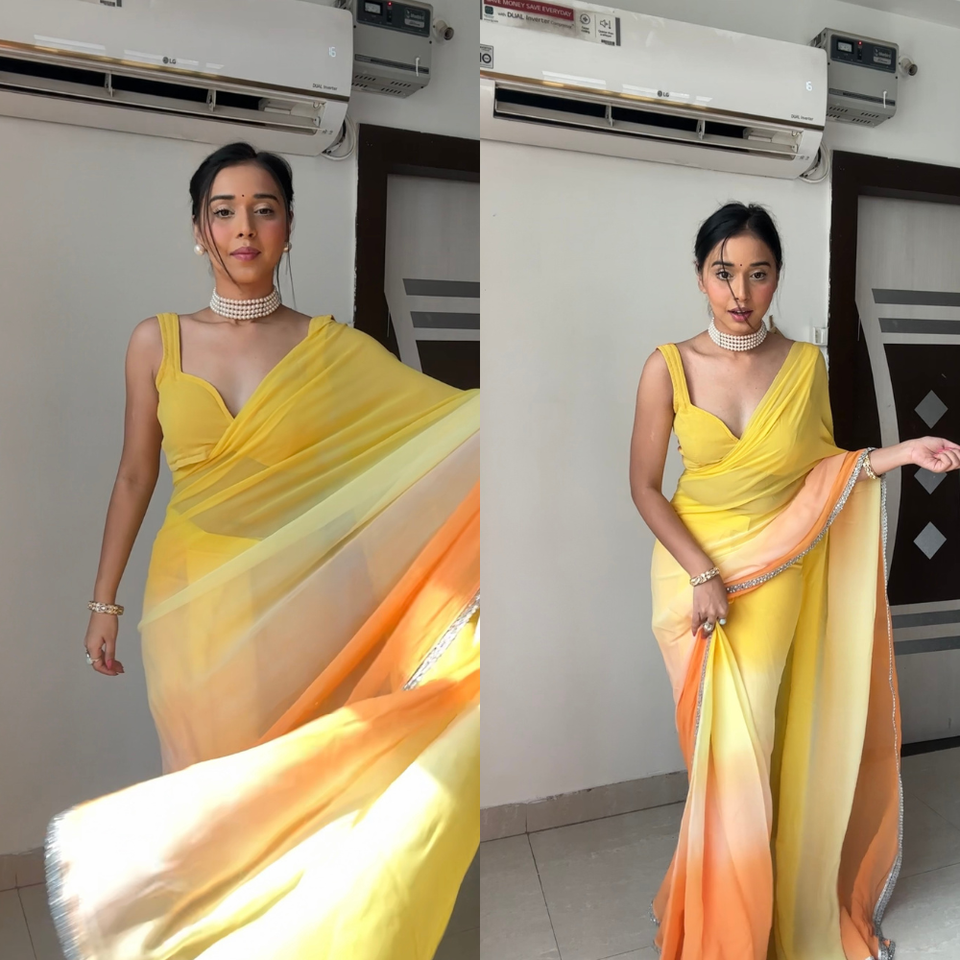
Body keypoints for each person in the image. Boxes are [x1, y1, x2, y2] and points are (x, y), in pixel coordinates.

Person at [47, 142, 480, 959]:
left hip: (302, 599)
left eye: (263, 209)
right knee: (207, 793)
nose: (243, 227)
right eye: (224, 211)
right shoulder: (156, 342)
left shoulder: (332, 348)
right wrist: (104, 601)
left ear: (287, 227)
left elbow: (444, 429)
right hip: (193, 605)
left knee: (291, 788)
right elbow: (135, 475)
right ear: (198, 230)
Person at [629, 202, 960, 960]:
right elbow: (644, 487)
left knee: (755, 747)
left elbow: (822, 472)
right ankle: (720, 915)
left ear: (777, 277)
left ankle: (752, 918)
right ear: (700, 275)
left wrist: (902, 453)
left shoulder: (806, 365)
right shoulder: (666, 366)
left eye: (758, 273)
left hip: (774, 571)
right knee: (717, 758)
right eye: (724, 273)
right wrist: (702, 573)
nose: (740, 292)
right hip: (690, 573)